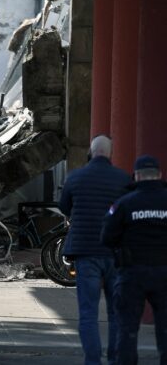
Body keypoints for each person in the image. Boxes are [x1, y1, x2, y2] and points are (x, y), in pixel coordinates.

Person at [59, 135, 131, 365]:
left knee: (88, 313)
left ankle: (92, 361)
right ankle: (114, 359)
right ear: (110, 153)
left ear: (90, 152)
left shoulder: (75, 177)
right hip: (114, 254)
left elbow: (64, 207)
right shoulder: (123, 179)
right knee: (115, 313)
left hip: (85, 252)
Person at [102, 155, 167, 365]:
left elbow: (107, 237)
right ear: (159, 175)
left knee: (127, 329)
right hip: (165, 273)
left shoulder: (125, 203)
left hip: (132, 274)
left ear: (137, 176)